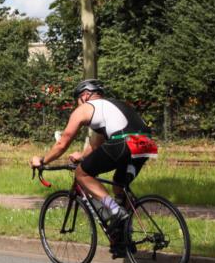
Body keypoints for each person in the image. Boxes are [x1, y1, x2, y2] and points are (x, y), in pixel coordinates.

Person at [29, 79, 158, 252]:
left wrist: (43, 160)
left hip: (124, 144)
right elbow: (97, 145)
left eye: (77, 100)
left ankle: (115, 211)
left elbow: (63, 142)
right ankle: (123, 237)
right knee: (120, 186)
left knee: (82, 174)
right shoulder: (112, 107)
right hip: (146, 145)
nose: (77, 104)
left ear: (84, 96)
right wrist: (81, 155)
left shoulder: (85, 107)